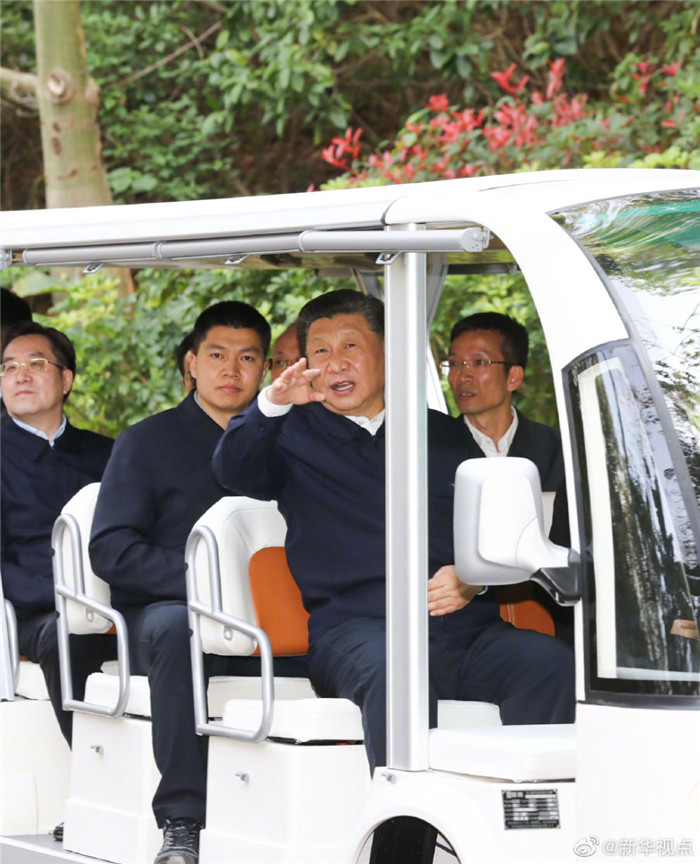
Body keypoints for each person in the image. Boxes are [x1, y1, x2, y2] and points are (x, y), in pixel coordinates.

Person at [212, 290, 575, 777]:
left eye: (351, 346)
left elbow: (492, 532)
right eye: (320, 351)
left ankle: (527, 809)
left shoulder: (443, 434)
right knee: (398, 672)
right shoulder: (289, 434)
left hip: (463, 629)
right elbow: (232, 470)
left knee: (551, 664)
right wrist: (274, 403)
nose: (335, 363)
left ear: (387, 353)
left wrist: (472, 579)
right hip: (357, 631)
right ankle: (406, 817)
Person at [89, 301, 307, 864]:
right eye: (216, 355)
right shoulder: (145, 441)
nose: (230, 370)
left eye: (247, 357)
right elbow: (111, 549)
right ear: (191, 363)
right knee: (176, 628)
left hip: (276, 613)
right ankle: (182, 819)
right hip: (171, 612)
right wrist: (209, 584)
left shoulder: (293, 439)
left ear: (265, 368)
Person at [1, 322, 115, 747]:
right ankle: (94, 767)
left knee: (173, 631)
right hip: (37, 614)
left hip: (118, 604)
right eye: (9, 368)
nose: (20, 376)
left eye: (35, 364)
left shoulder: (109, 454)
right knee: (69, 636)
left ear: (66, 380)